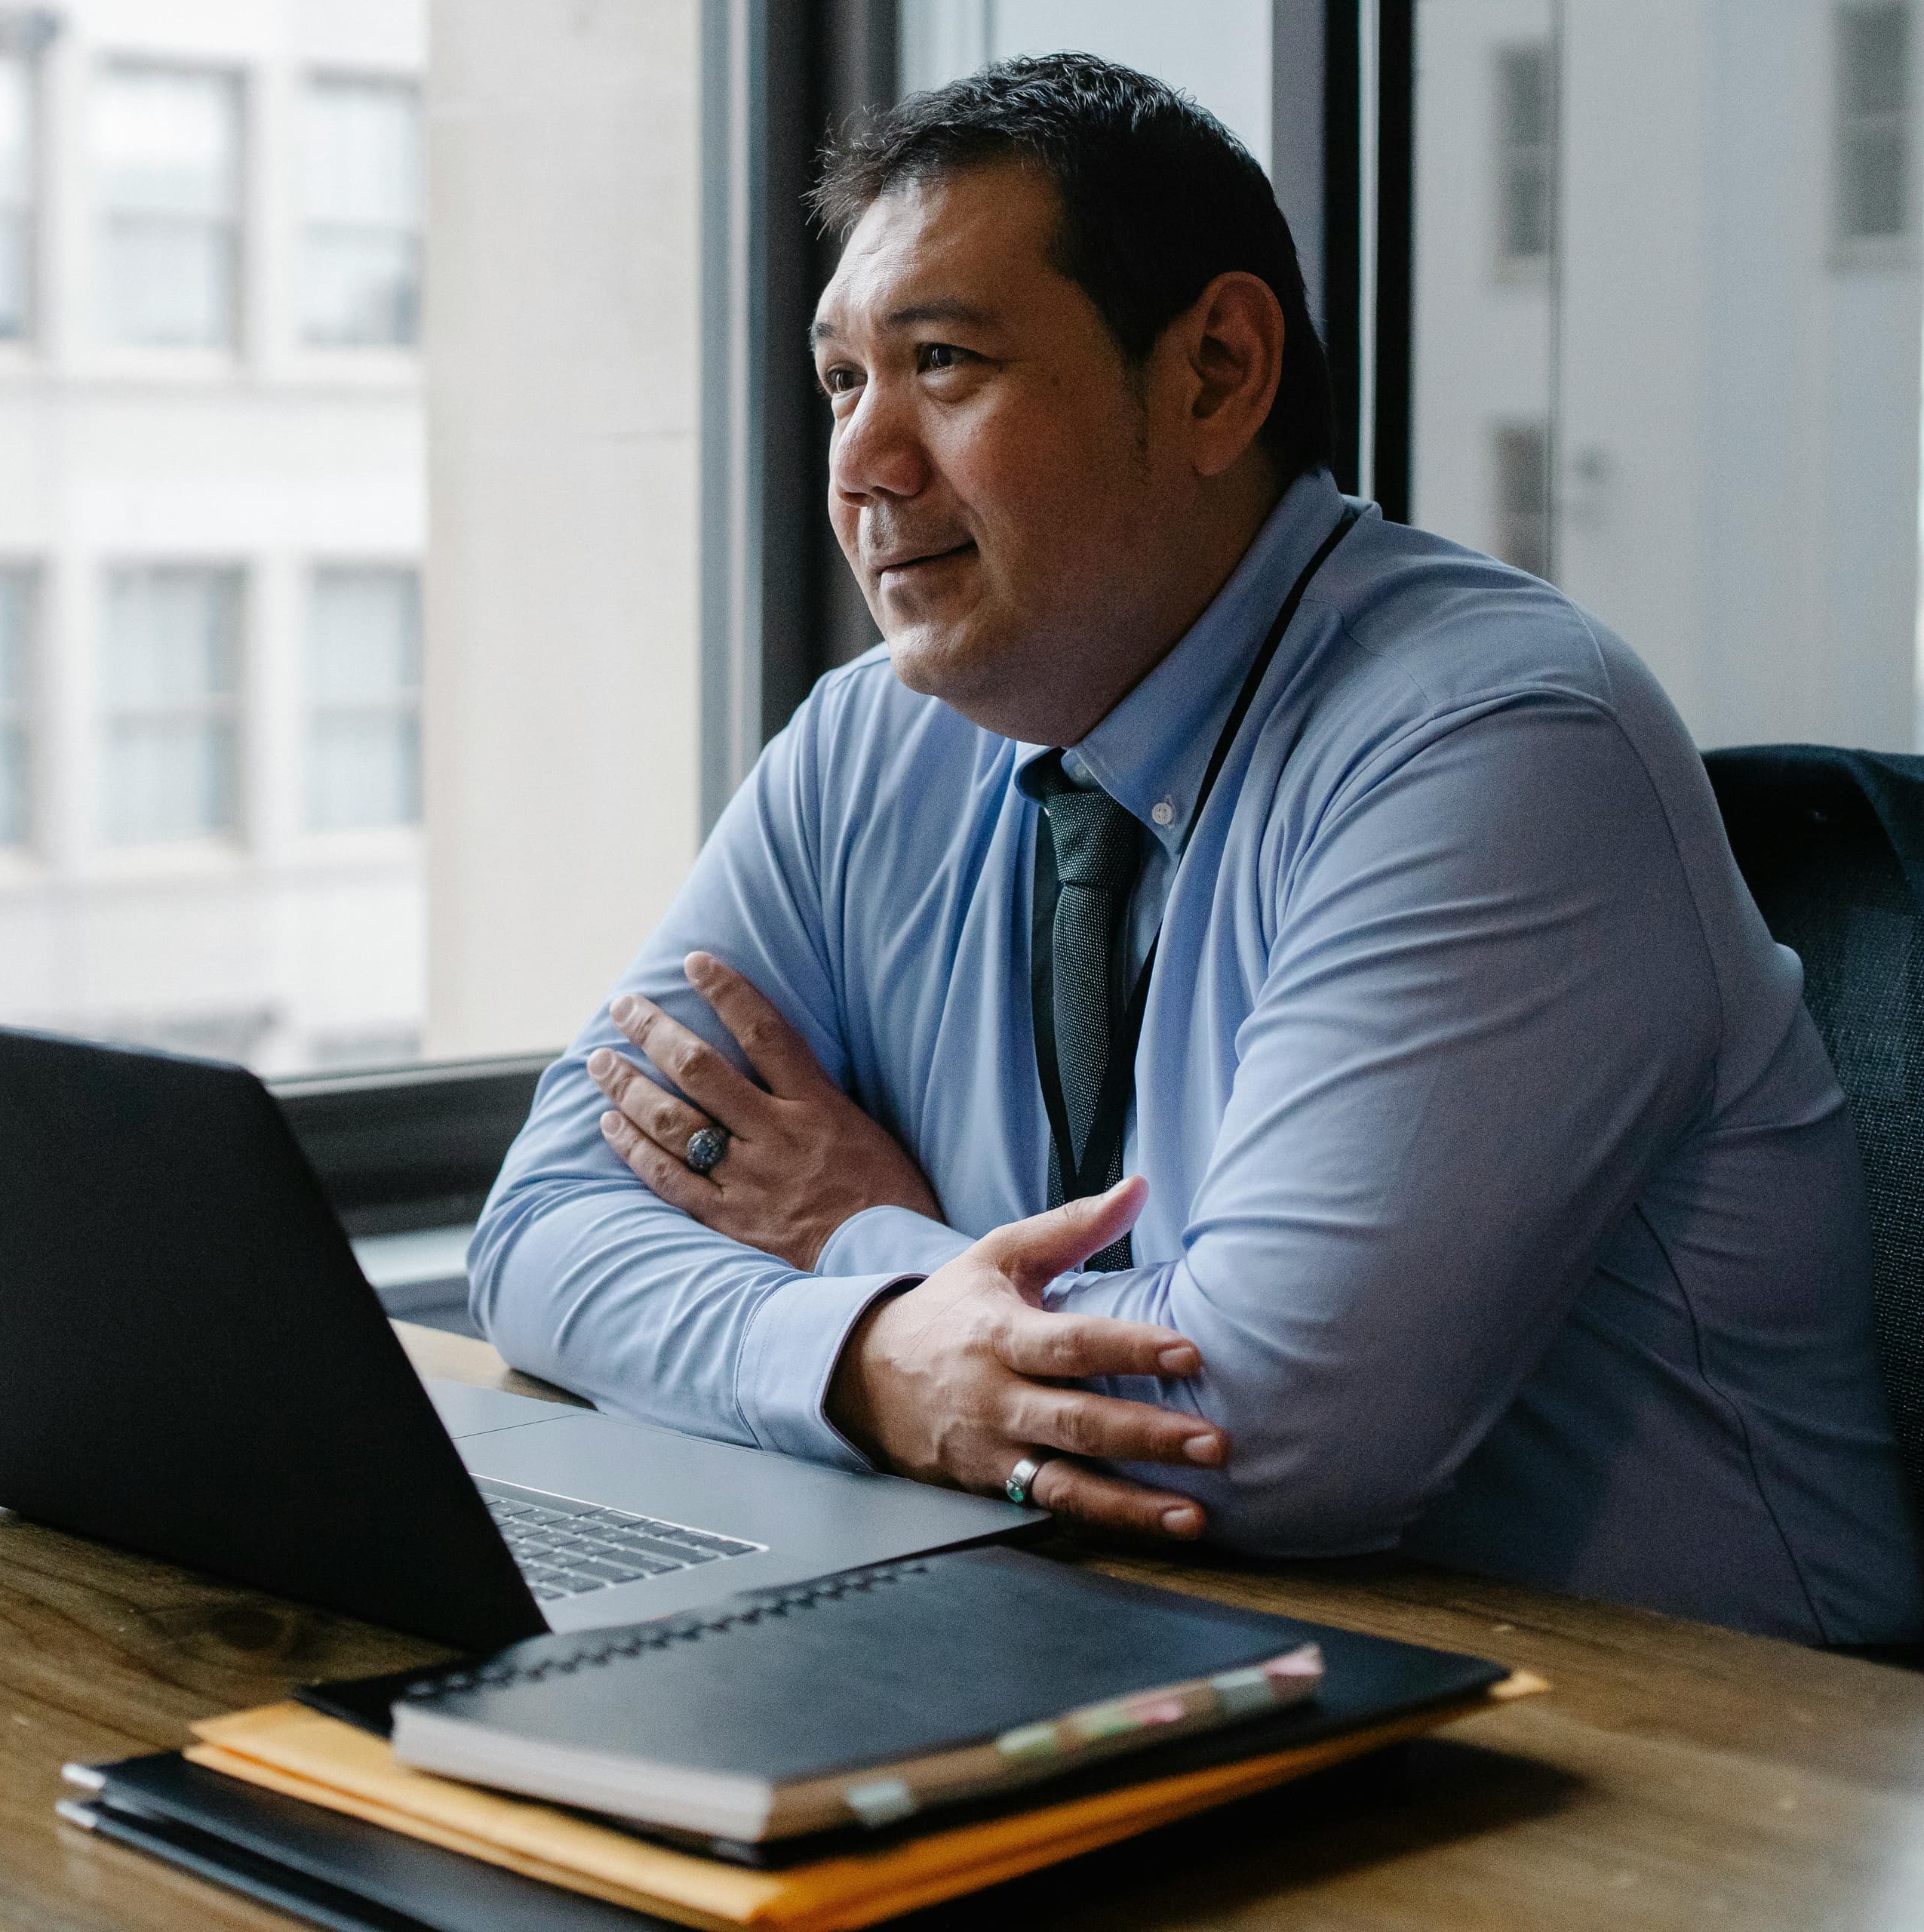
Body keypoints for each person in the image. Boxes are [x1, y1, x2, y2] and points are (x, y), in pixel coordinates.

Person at [467, 53, 1922, 1645]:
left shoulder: (1501, 741)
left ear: (1217, 373)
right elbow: (539, 1230)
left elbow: (1267, 1427)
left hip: (1690, 1771)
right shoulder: (861, 745)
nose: (863, 465)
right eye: (840, 383)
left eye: (942, 362)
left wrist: (849, 1237)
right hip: (1153, 1651)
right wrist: (879, 1349)